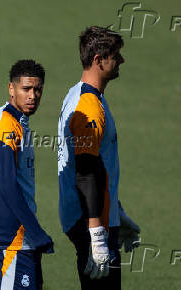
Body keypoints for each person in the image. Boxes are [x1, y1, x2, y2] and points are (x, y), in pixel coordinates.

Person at [57, 26, 141, 289]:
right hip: (91, 220)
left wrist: (117, 211)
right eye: (115, 55)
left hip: (96, 215)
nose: (121, 61)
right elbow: (85, 171)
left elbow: (98, 164)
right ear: (98, 60)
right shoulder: (90, 107)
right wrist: (97, 235)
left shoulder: (79, 94)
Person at [0, 59, 54, 290]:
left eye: (38, 89)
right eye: (26, 89)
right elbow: (6, 184)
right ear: (11, 89)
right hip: (10, 239)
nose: (33, 95)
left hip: (20, 239)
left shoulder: (18, 122)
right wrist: (36, 231)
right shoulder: (6, 125)